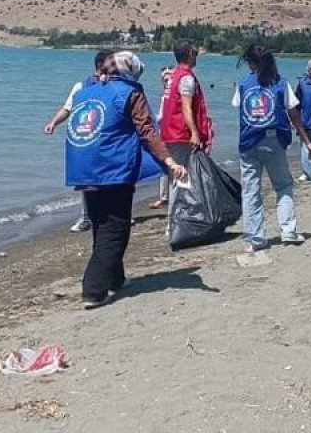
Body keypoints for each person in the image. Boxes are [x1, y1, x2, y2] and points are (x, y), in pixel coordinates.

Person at [65, 51, 186, 309]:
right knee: (116, 228)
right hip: (112, 168)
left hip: (83, 165)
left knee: (101, 224)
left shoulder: (86, 91)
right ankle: (94, 289)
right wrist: (169, 160)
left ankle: (115, 280)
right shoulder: (130, 93)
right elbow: (147, 131)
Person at [233, 44, 311, 251]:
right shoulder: (281, 84)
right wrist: (307, 141)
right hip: (274, 141)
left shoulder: (244, 84)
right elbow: (294, 115)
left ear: (251, 62)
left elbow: (238, 105)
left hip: (248, 143)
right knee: (283, 185)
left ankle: (255, 238)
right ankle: (288, 231)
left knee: (251, 191)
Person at [45, 49, 115, 232]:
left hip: (107, 138)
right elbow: (67, 109)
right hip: (86, 138)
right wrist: (53, 123)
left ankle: (113, 214)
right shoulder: (81, 86)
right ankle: (86, 217)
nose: (116, 66)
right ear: (101, 65)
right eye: (112, 63)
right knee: (87, 179)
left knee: (110, 177)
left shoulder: (115, 84)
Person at [160, 41, 215, 185]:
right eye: (195, 53)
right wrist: (195, 133)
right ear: (190, 54)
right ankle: (182, 208)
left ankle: (179, 206)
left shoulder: (174, 76)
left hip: (170, 135)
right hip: (181, 136)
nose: (196, 56)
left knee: (177, 179)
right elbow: (186, 107)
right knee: (184, 181)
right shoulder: (186, 78)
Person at [150, 66, 177, 209]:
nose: (166, 82)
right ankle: (164, 196)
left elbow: (161, 116)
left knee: (169, 164)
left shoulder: (173, 94)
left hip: (173, 134)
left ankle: (167, 196)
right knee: (165, 165)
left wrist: (150, 120)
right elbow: (161, 116)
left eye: (168, 78)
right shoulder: (165, 96)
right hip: (165, 133)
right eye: (164, 80)